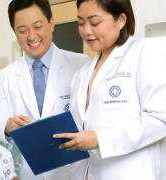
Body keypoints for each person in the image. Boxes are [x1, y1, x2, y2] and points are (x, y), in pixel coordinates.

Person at [53, 0, 166, 180]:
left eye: (95, 22)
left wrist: (100, 139)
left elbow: (160, 119)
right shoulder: (81, 74)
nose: (86, 31)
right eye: (81, 23)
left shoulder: (145, 52)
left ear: (120, 20)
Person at [0, 0, 90, 179]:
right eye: (23, 31)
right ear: (15, 33)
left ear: (51, 24)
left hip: (71, 170)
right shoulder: (5, 76)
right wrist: (7, 126)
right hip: (27, 171)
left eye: (38, 26)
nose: (32, 36)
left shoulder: (82, 64)